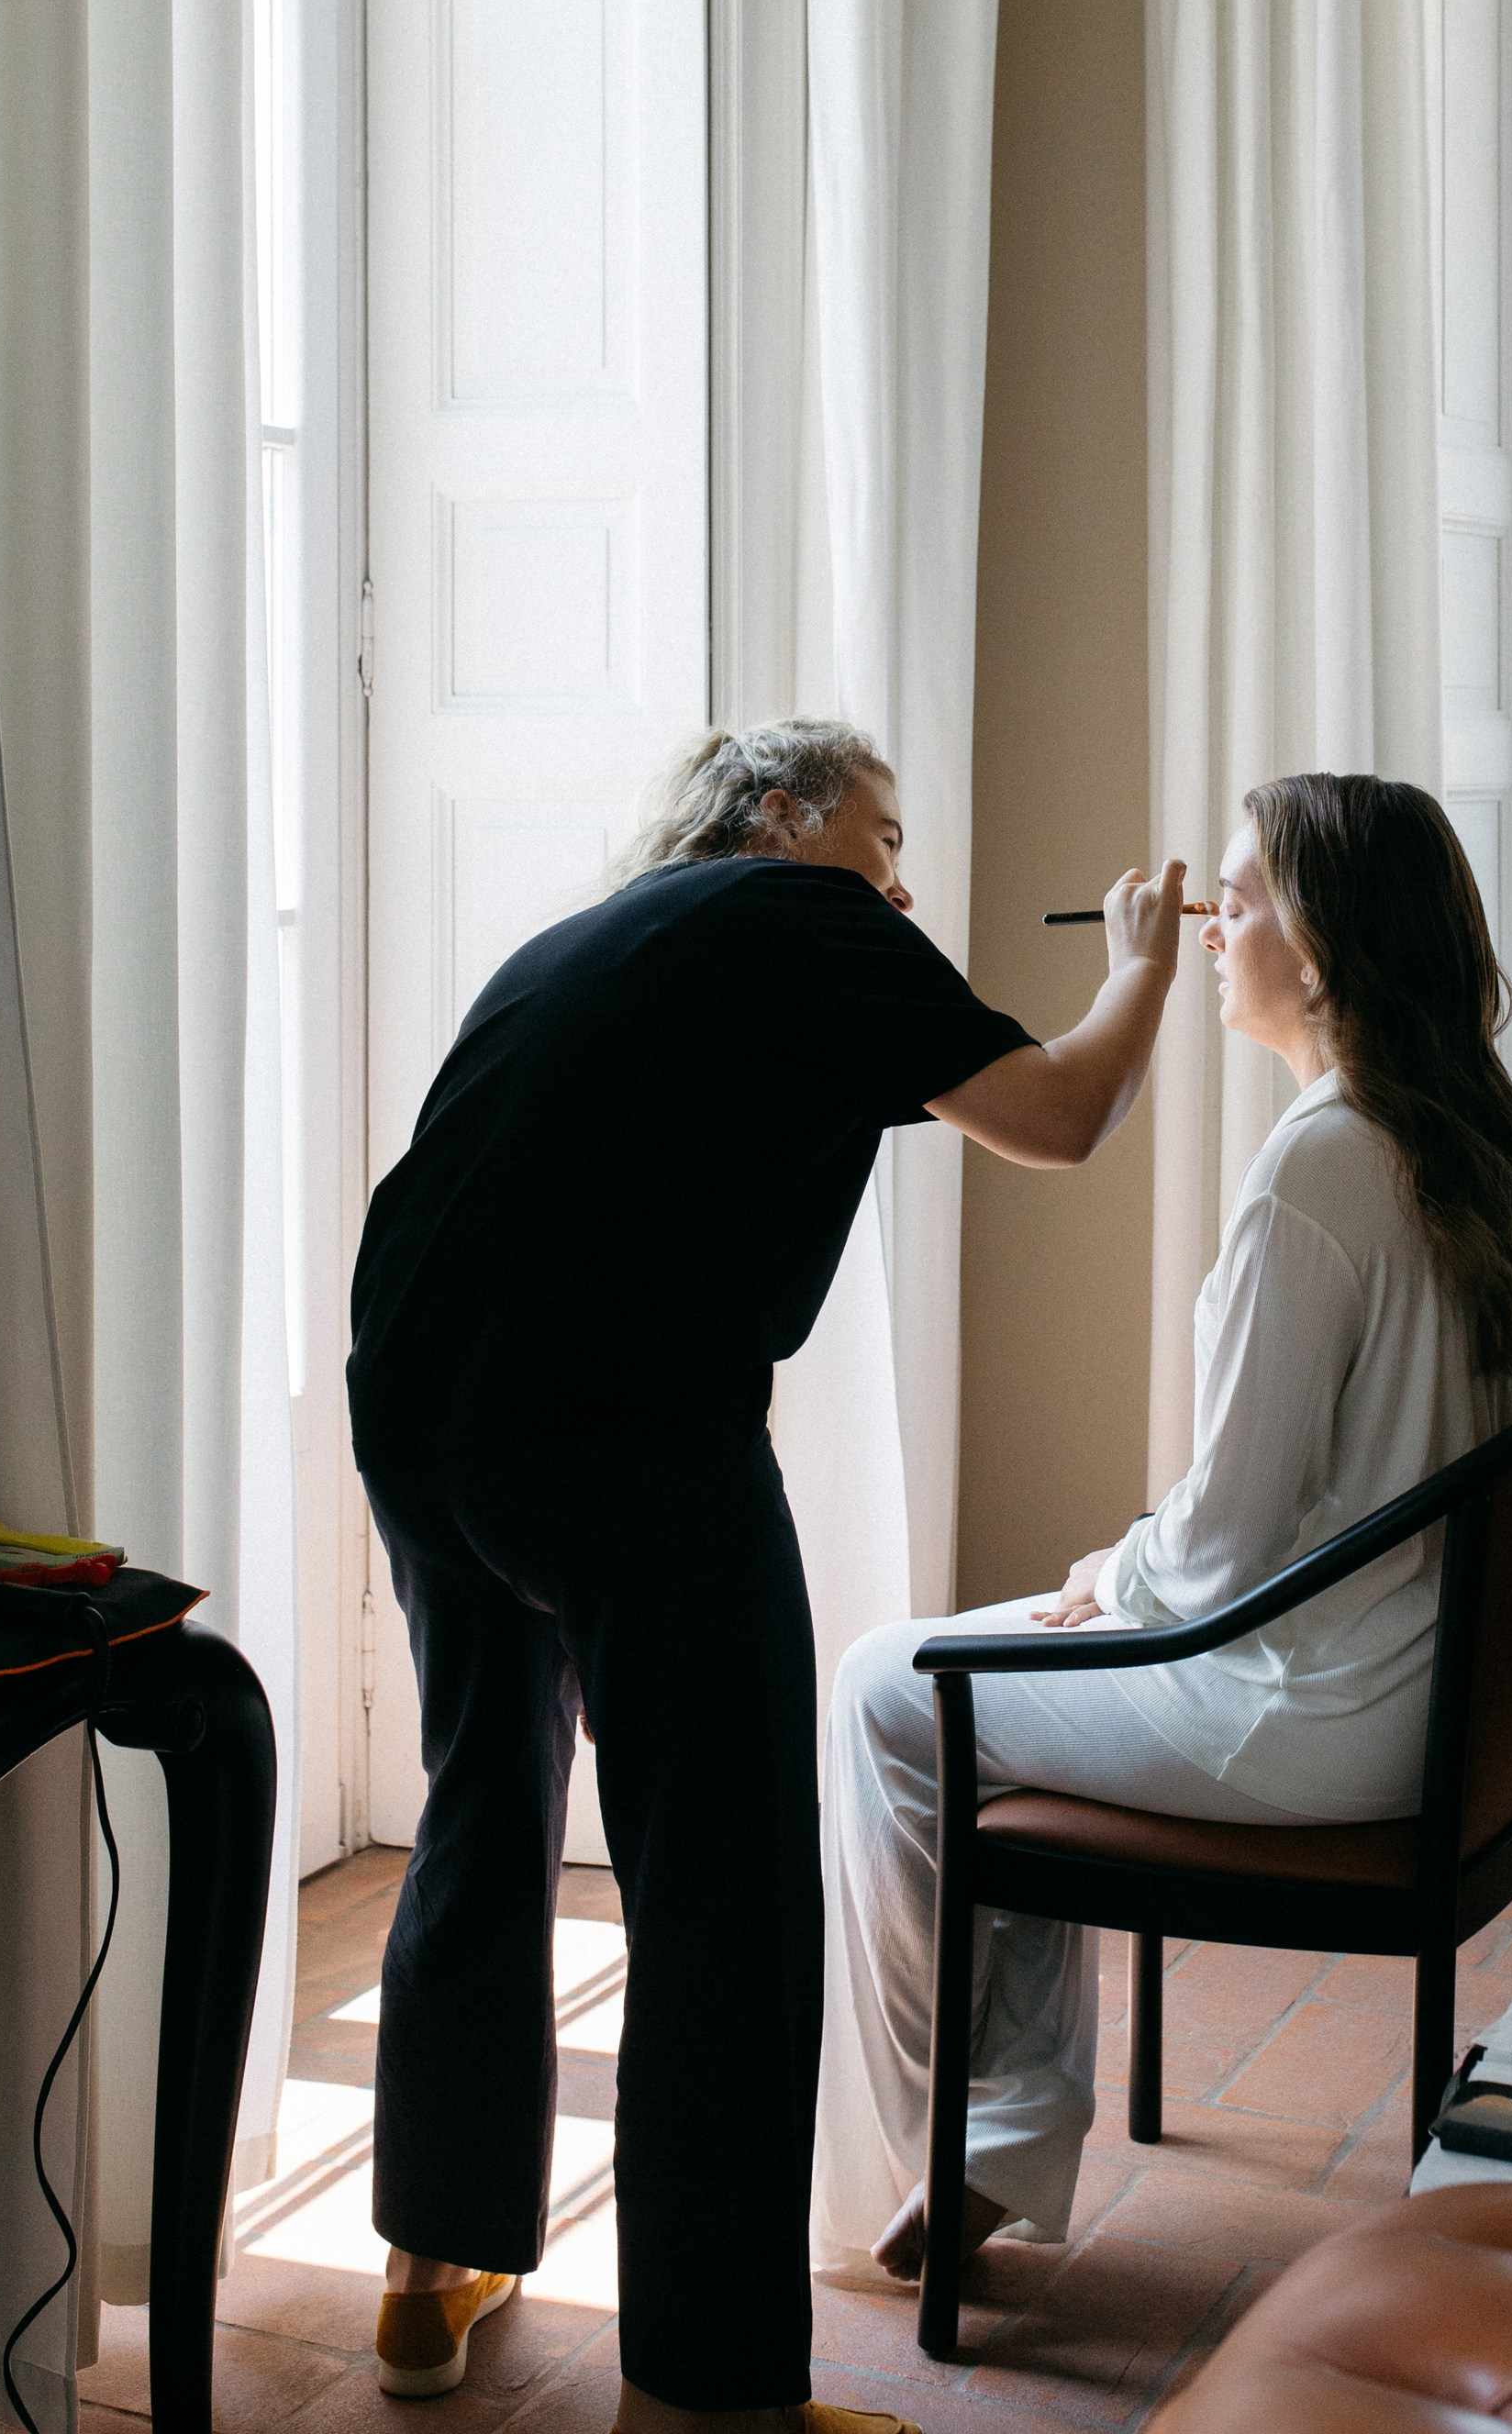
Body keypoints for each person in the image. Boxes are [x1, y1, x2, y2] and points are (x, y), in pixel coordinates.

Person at [345, 718, 1186, 2423]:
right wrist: (1141, 967)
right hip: (624, 1434)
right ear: (786, 817)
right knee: (724, 1885)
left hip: (423, 1404)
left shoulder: (598, 931)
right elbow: (1062, 1116)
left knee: (482, 1807)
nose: (898, 878)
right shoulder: (809, 923)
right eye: (882, 835)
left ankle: (428, 2277)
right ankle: (711, 2392)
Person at [812, 771, 1512, 2284]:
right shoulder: (1434, 1127)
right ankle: (1002, 2137)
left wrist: (1106, 1575)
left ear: (1330, 945)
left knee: (892, 1693)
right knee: (993, 1680)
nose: (1213, 925)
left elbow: (1224, 1550)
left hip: (1314, 1705)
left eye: (1245, 896)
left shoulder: (1319, 1166)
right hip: (1425, 1684)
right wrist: (1112, 1588)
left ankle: (971, 2138)